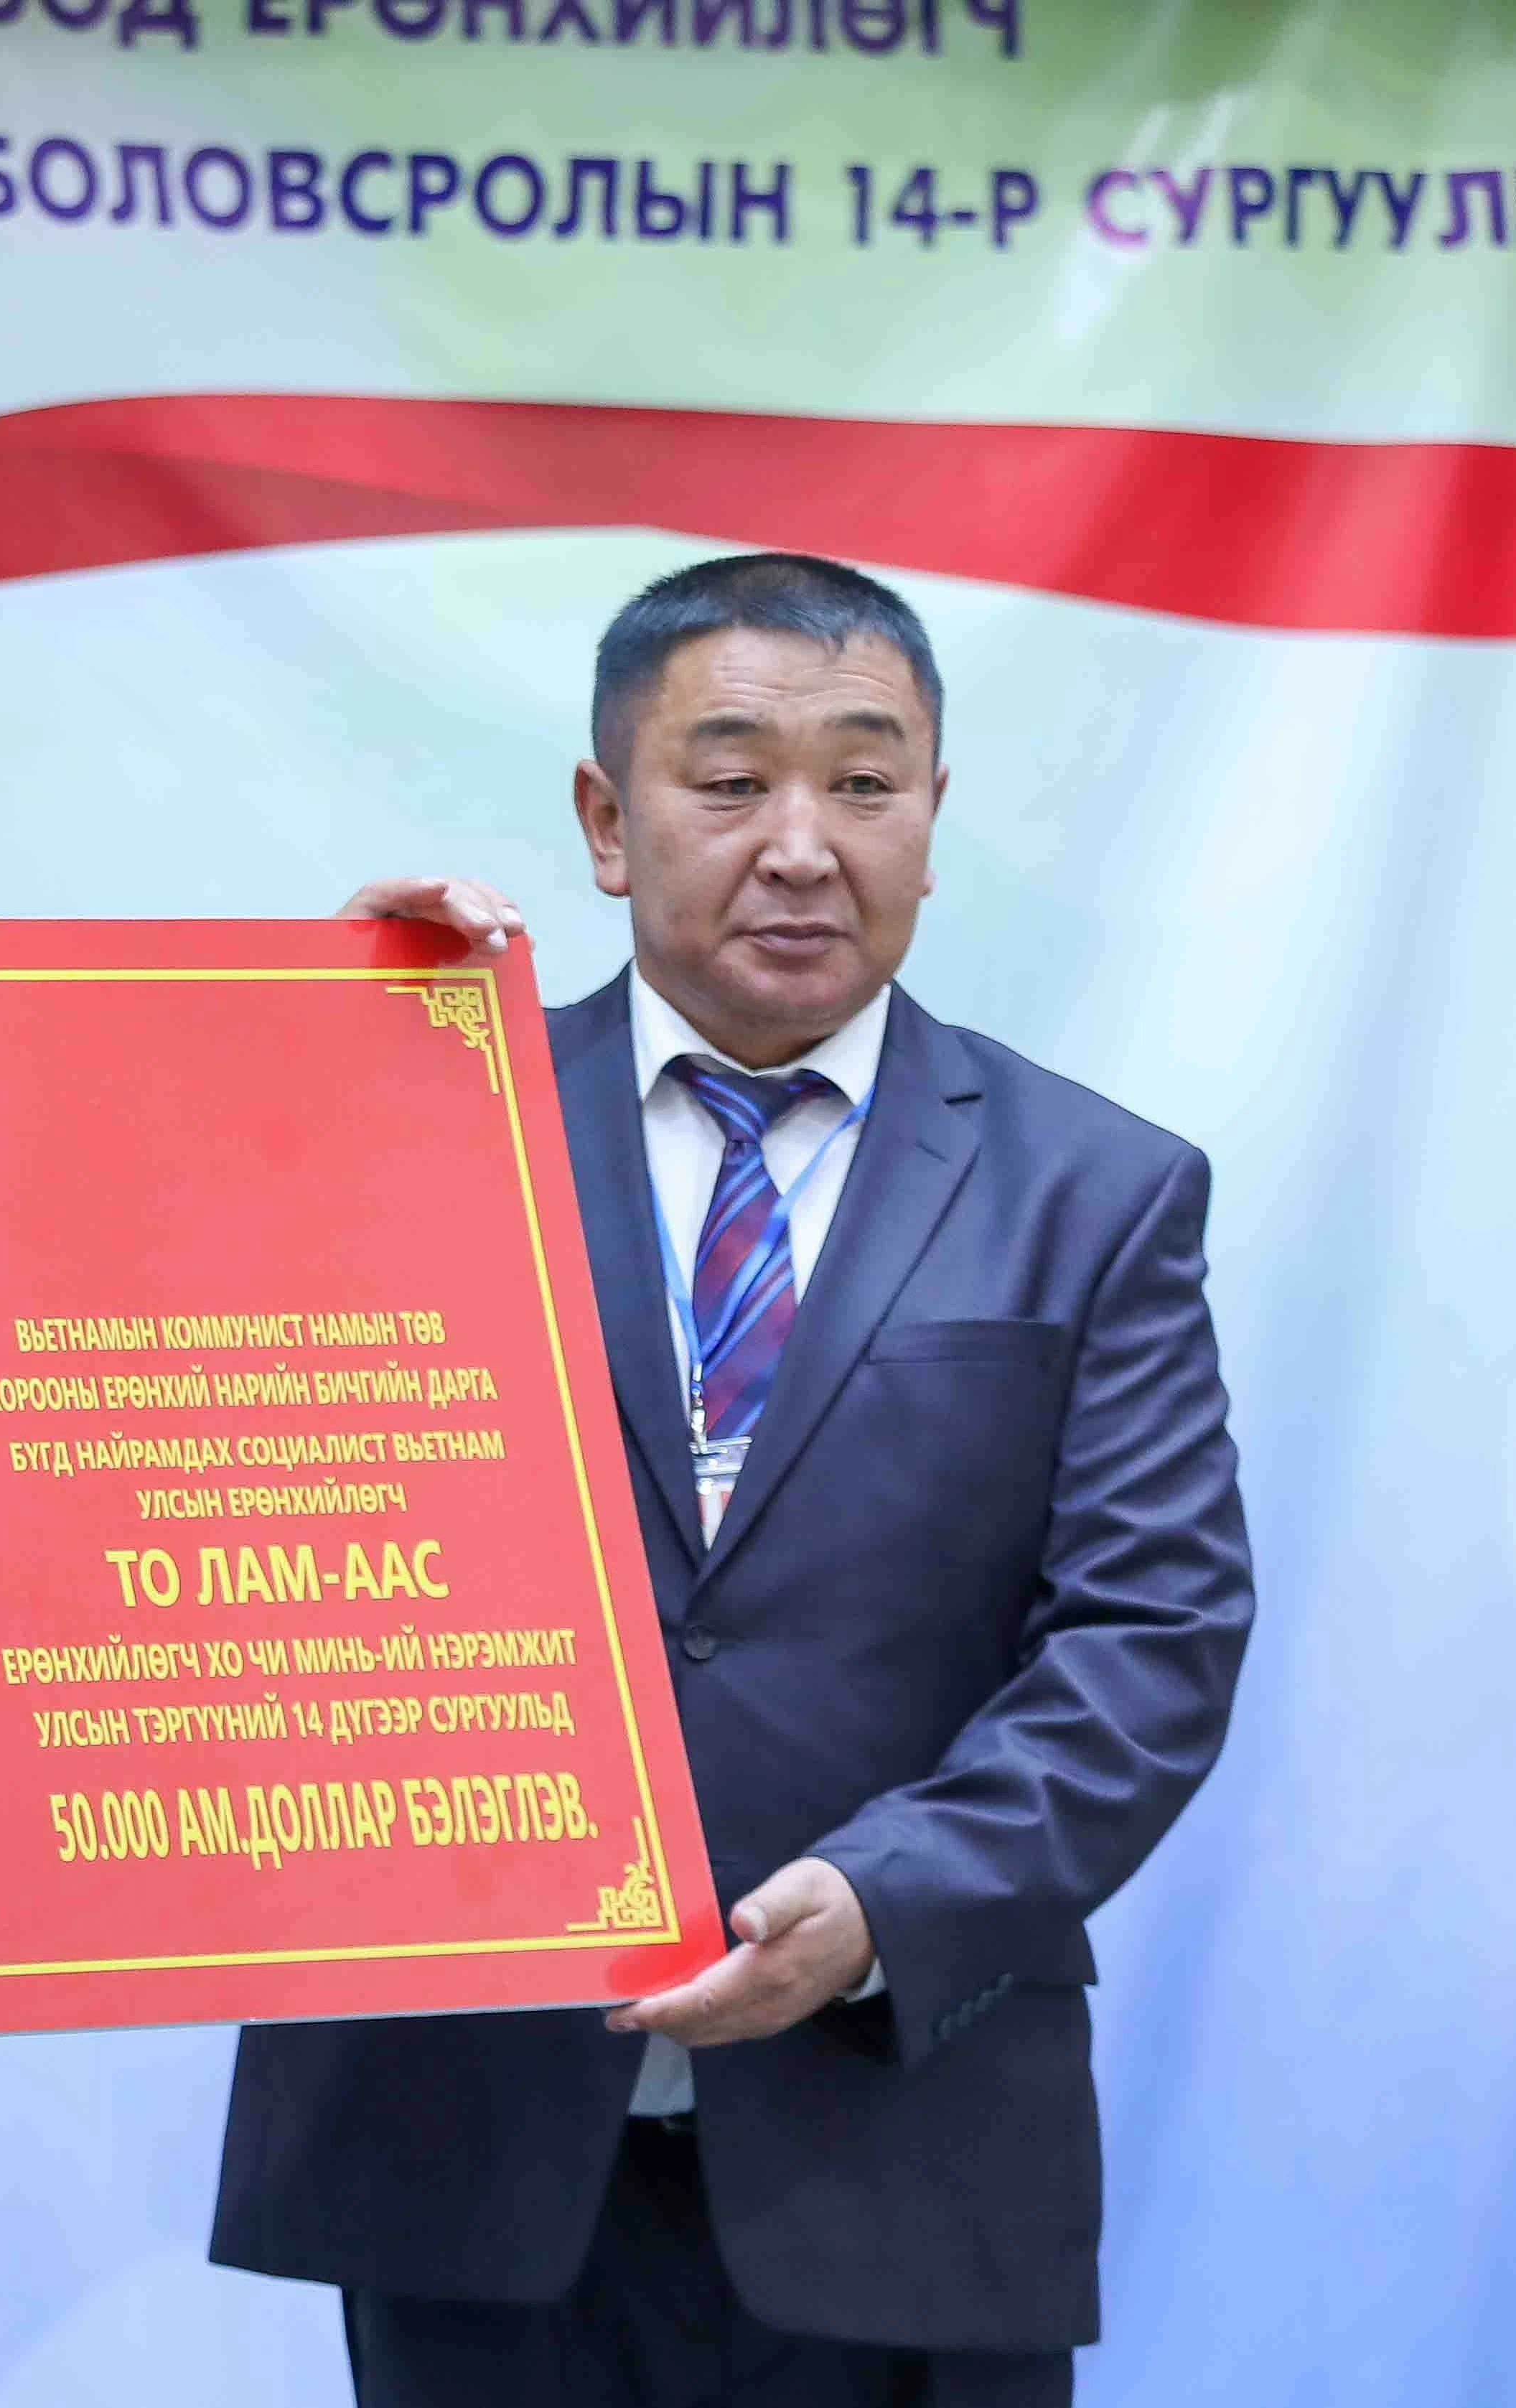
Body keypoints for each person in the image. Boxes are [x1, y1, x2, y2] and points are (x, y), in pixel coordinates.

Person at [210, 553, 1253, 2408]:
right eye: (729, 780)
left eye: (862, 783)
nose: (800, 846)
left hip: (905, 2139)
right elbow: (157, 1436)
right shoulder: (403, 1129)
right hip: (468, 2139)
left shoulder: (1094, 1193)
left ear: (931, 817)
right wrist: (296, 1068)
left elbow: (1149, 1640)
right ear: (607, 822)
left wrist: (885, 1901)